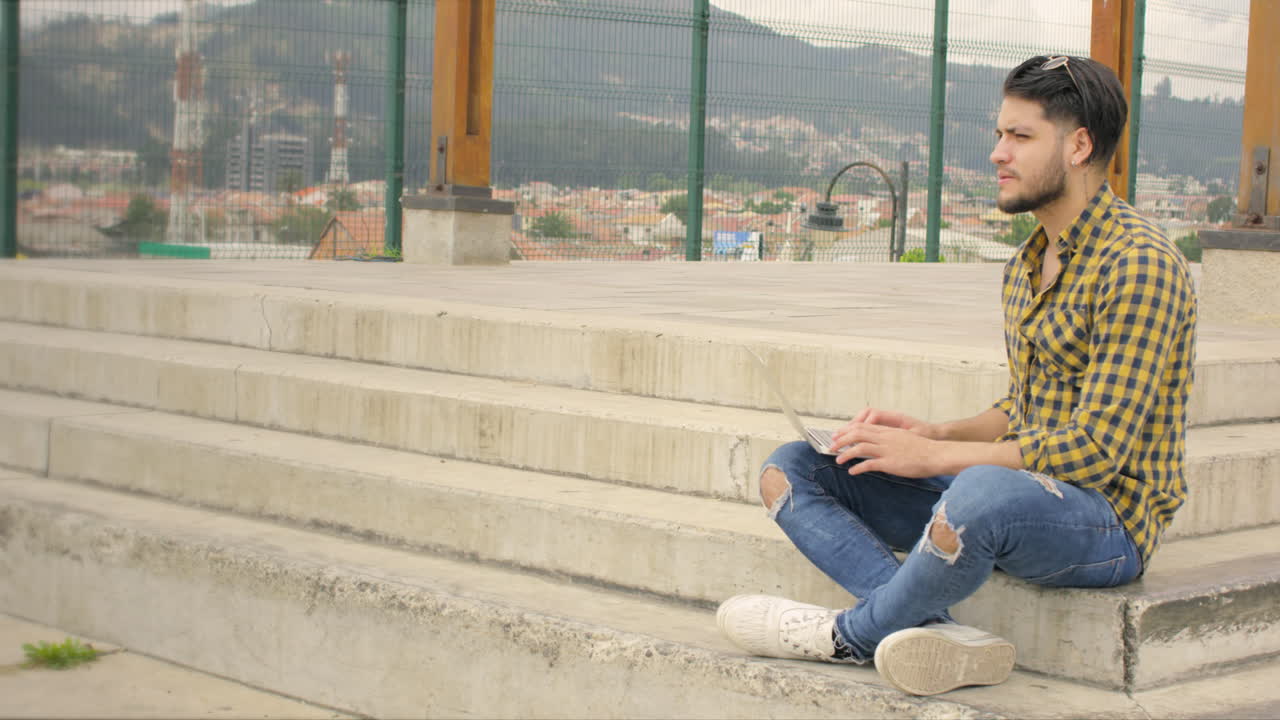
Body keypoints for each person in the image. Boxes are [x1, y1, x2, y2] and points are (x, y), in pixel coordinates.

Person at [716, 54, 1198, 697]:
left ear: (1079, 145)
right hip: (1020, 490)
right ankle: (942, 635)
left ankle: (849, 635)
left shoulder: (1139, 265)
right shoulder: (1028, 262)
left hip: (1107, 521)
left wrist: (937, 455)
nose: (998, 153)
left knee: (978, 494)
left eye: (1021, 136)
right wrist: (933, 431)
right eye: (1000, 134)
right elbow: (1025, 405)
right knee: (795, 467)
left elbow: (1095, 448)